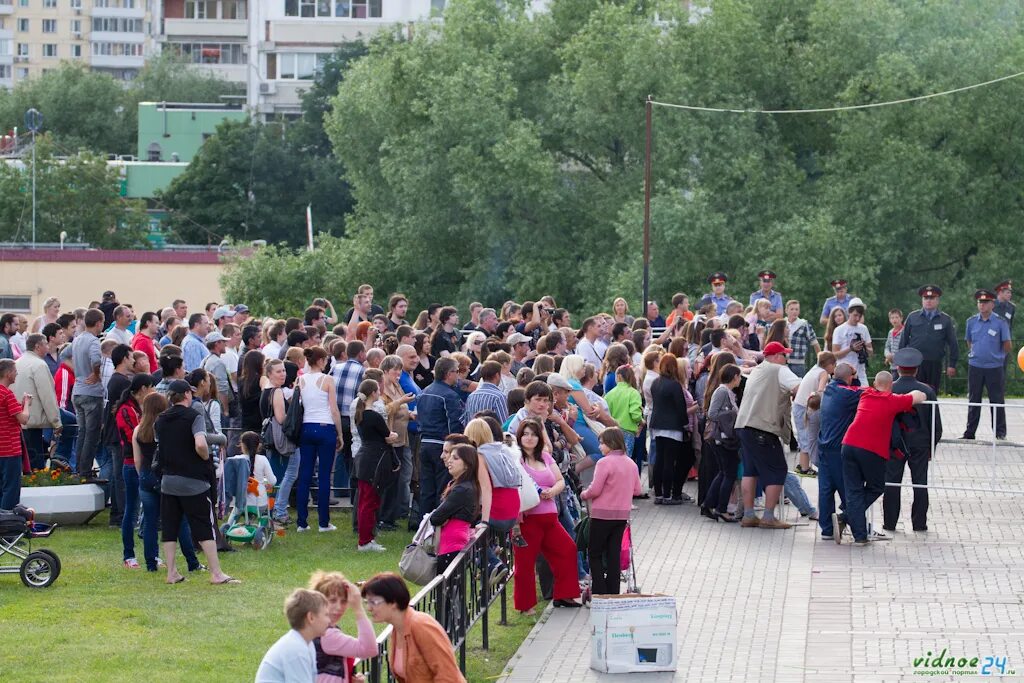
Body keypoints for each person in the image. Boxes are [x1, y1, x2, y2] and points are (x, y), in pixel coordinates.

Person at [155, 379, 238, 584]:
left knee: (170, 527)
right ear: (186, 395)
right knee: (204, 526)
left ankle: (171, 572)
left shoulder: (161, 419)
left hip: (168, 480)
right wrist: (203, 457)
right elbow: (200, 443)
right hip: (193, 481)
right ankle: (216, 573)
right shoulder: (194, 416)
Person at [839, 371, 926, 546]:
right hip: (870, 449)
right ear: (891, 385)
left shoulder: (865, 394)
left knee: (854, 490)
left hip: (848, 444)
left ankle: (859, 535)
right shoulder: (892, 401)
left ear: (874, 383)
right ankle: (844, 517)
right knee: (877, 487)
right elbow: (920, 396)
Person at [514, 418, 581, 612]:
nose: (529, 438)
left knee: (567, 549)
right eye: (525, 434)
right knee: (525, 563)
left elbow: (560, 480)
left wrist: (552, 492)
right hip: (528, 519)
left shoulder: (546, 457)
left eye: (534, 434)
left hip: (550, 517)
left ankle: (565, 595)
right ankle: (525, 605)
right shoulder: (516, 459)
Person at [735, 341, 802, 529]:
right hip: (763, 427)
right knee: (778, 469)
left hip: (743, 425)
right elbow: (799, 388)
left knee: (750, 470)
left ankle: (749, 515)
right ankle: (768, 516)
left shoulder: (757, 370)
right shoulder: (778, 370)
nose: (786, 360)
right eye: (783, 356)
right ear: (774, 357)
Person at [361, 572, 466, 683]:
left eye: (374, 602)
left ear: (393, 602)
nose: (369, 608)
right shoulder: (397, 630)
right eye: (367, 602)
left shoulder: (421, 625)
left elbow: (449, 676)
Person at [883, 347, 941, 533]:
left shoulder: (890, 390)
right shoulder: (927, 391)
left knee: (891, 483)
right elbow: (936, 425)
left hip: (894, 445)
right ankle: (919, 523)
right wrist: (931, 446)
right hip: (920, 444)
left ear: (898, 368)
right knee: (920, 483)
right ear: (916, 369)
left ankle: (890, 523)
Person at [581, 428, 641, 596]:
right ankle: (613, 591)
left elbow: (595, 489)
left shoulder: (604, 463)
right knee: (613, 553)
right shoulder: (631, 463)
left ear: (610, 443)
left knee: (595, 552)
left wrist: (584, 493)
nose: (600, 447)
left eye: (602, 443)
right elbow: (637, 489)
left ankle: (600, 590)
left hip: (602, 515)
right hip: (621, 515)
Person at [296, 347, 344, 533]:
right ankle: (323, 522)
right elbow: (333, 410)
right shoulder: (327, 379)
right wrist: (339, 433)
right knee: (324, 476)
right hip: (325, 427)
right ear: (322, 360)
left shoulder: (301, 379)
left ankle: (302, 522)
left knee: (305, 474)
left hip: (307, 427)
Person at [353, 378, 400, 552]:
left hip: (366, 459)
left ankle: (366, 538)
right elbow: (388, 435)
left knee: (365, 501)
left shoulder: (360, 414)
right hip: (374, 460)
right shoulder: (372, 415)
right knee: (369, 502)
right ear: (373, 393)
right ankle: (365, 541)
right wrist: (392, 436)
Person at [113, 373, 155, 568]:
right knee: (131, 509)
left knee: (150, 510)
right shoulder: (125, 410)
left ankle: (152, 553)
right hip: (131, 464)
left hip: (145, 463)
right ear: (144, 389)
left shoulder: (141, 409)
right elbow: (135, 436)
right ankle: (128, 554)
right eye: (151, 387)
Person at [307, 571, 378, 683]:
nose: (339, 607)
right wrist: (358, 608)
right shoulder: (327, 635)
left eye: (344, 601)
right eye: (332, 600)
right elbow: (369, 649)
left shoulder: (312, 627)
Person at [416, 356, 465, 516]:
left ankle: (423, 525)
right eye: (457, 371)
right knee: (443, 486)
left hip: (424, 444)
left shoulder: (423, 393)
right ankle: (438, 522)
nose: (458, 375)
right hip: (442, 445)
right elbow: (454, 424)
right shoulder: (450, 396)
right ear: (449, 373)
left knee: (426, 487)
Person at [963, 289, 1012, 440]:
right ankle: (970, 432)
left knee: (996, 399)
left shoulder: (1000, 322)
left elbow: (1007, 344)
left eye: (985, 302)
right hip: (976, 365)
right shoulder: (971, 321)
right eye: (980, 302)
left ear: (992, 304)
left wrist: (997, 357)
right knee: (974, 399)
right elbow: (969, 341)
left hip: (994, 367)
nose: (982, 305)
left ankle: (999, 432)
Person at [648, 353, 695, 505]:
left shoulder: (656, 382)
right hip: (672, 426)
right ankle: (668, 495)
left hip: (657, 424)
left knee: (659, 460)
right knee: (669, 461)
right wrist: (685, 425)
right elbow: (681, 408)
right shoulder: (674, 385)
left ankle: (659, 494)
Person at [255, 589, 330, 683]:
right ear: (311, 617)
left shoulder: (306, 644)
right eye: (326, 615)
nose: (329, 621)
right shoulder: (296, 649)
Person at [13, 334, 62, 469]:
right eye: (45, 344)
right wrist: (56, 422)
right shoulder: (39, 365)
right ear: (37, 346)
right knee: (35, 464)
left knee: (22, 463)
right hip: (33, 421)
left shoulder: (17, 362)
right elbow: (47, 396)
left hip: (17, 420)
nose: (48, 347)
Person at [430, 443, 481, 573]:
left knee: (447, 589)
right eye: (450, 457)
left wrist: (443, 518)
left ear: (467, 464)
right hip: (456, 541)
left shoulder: (462, 489)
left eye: (456, 458)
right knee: (452, 589)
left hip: (451, 544)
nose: (449, 460)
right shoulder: (467, 485)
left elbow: (435, 518)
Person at [898, 284, 959, 391]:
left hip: (934, 363)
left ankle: (931, 409)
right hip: (914, 364)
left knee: (932, 393)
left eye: (932, 298)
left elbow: (953, 344)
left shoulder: (945, 319)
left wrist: (952, 364)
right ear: (922, 300)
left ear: (937, 300)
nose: (928, 301)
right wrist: (900, 361)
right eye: (926, 298)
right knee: (914, 394)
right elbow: (903, 341)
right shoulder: (912, 317)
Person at [702, 364, 742, 521]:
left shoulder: (728, 392)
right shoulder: (722, 391)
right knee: (729, 474)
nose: (740, 379)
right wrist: (732, 414)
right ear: (734, 377)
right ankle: (721, 508)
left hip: (725, 439)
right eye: (739, 376)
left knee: (724, 472)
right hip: (722, 439)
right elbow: (712, 413)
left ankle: (709, 504)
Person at [71, 308, 105, 478]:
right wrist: (96, 374)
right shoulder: (93, 341)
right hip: (91, 392)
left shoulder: (77, 339)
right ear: (98, 323)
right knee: (92, 435)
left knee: (82, 432)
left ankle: (79, 468)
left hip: (78, 389)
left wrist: (80, 372)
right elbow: (97, 359)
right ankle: (85, 471)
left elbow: (65, 354)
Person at [792, 352, 836, 476]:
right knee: (807, 436)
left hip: (798, 405)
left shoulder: (814, 369)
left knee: (802, 435)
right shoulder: (823, 373)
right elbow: (820, 391)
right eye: (834, 365)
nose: (834, 368)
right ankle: (806, 468)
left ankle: (802, 464)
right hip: (805, 407)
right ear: (829, 364)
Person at [0, 359, 31, 509]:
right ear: (7, 373)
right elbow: (23, 419)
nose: (16, 373)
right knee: (11, 489)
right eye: (14, 371)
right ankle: (7, 523)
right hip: (10, 449)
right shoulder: (7, 394)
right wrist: (27, 404)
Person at [830, 297, 872, 386]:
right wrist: (850, 348)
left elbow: (871, 352)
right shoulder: (839, 330)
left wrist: (864, 347)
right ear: (849, 312)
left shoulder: (863, 329)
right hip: (844, 373)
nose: (857, 318)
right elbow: (835, 354)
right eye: (855, 315)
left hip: (860, 372)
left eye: (859, 316)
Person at [604, 365, 642, 459]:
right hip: (628, 431)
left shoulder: (609, 394)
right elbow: (635, 415)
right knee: (625, 458)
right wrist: (641, 421)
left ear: (618, 377)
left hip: (612, 431)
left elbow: (605, 412)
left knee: (612, 458)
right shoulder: (633, 393)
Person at [784, 300, 819, 378]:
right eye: (792, 309)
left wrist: (820, 359)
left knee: (798, 386)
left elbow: (814, 342)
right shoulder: (782, 323)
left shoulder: (803, 324)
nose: (794, 312)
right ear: (786, 310)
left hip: (798, 363)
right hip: (783, 362)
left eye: (796, 309)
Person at [883, 308, 904, 373]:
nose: (894, 320)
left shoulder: (905, 331)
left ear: (901, 318)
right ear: (890, 320)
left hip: (903, 366)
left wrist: (894, 357)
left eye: (896, 317)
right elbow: (887, 347)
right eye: (892, 318)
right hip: (893, 366)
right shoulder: (890, 332)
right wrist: (887, 355)